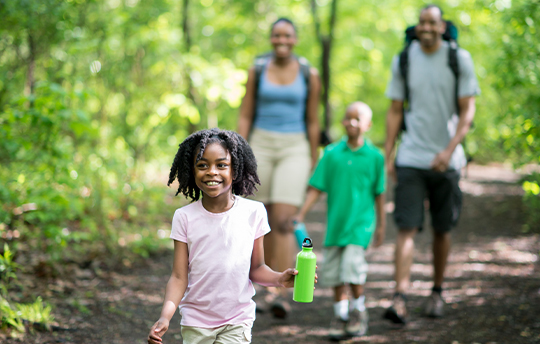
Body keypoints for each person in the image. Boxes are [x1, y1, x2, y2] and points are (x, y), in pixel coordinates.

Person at [147, 128, 306, 344]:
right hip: (196, 321)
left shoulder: (254, 212)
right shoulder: (184, 217)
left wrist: (279, 279)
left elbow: (256, 269)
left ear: (235, 169)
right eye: (202, 165)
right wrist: (165, 316)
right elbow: (178, 276)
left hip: (237, 320)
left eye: (222, 165)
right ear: (191, 171)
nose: (212, 171)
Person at [383, 5, 480, 324]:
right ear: (418, 26)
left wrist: (449, 150)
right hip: (411, 156)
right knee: (406, 227)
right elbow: (396, 109)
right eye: (422, 22)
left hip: (448, 160)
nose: (426, 27)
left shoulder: (459, 58)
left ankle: (437, 292)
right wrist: (389, 154)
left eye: (432, 22)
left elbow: (468, 111)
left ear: (442, 27)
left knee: (442, 228)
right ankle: (399, 297)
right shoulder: (404, 58)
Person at [237, 17, 321, 318]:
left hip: (295, 146)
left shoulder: (309, 74)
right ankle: (261, 284)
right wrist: (239, 151)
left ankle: (281, 292)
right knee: (260, 218)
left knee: (285, 219)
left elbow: (313, 120)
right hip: (260, 144)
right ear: (271, 38)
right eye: (276, 35)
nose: (281, 40)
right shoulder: (257, 70)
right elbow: (245, 113)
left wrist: (314, 158)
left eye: (287, 35)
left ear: (295, 39)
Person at [291, 102, 386, 340]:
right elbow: (316, 187)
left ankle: (358, 311)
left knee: (352, 270)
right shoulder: (332, 154)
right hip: (336, 226)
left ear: (368, 124)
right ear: (342, 121)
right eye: (348, 118)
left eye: (358, 119)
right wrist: (301, 213)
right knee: (333, 273)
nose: (352, 123)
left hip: (360, 225)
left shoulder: (375, 157)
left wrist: (381, 224)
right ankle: (340, 315)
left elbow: (380, 193)